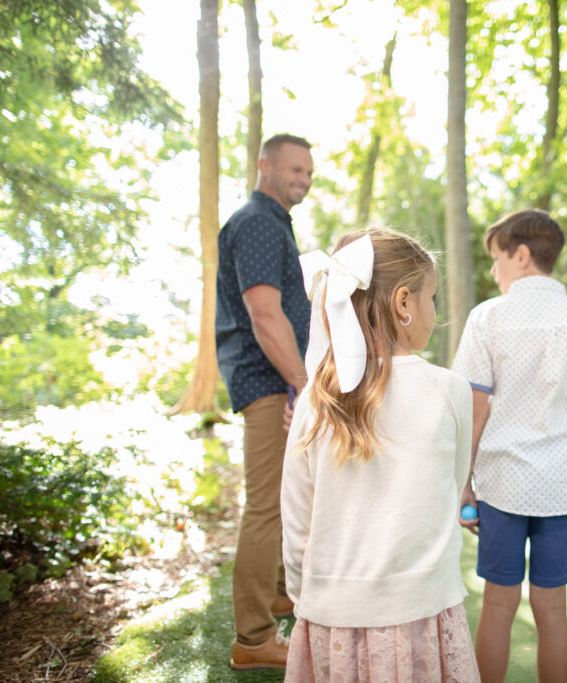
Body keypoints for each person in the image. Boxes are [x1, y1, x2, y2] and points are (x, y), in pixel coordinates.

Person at [281, 228, 480, 682]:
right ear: (404, 303)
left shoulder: (316, 399)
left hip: (330, 619)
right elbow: (450, 488)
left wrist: (306, 599)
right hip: (424, 615)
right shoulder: (451, 391)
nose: (435, 310)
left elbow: (296, 522)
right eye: (432, 297)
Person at [451, 209, 567, 683]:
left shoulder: (487, 318)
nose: (494, 270)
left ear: (521, 255)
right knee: (552, 609)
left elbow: (475, 411)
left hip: (501, 483)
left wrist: (463, 484)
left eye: (497, 258)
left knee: (498, 603)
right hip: (561, 486)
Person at [214, 133, 314, 670]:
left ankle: (279, 593)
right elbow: (264, 314)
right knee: (264, 506)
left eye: (308, 173)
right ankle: (253, 641)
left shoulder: (274, 224)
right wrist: (301, 383)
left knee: (281, 498)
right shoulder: (256, 222)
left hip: (279, 380)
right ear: (265, 166)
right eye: (295, 169)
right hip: (269, 381)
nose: (303, 179)